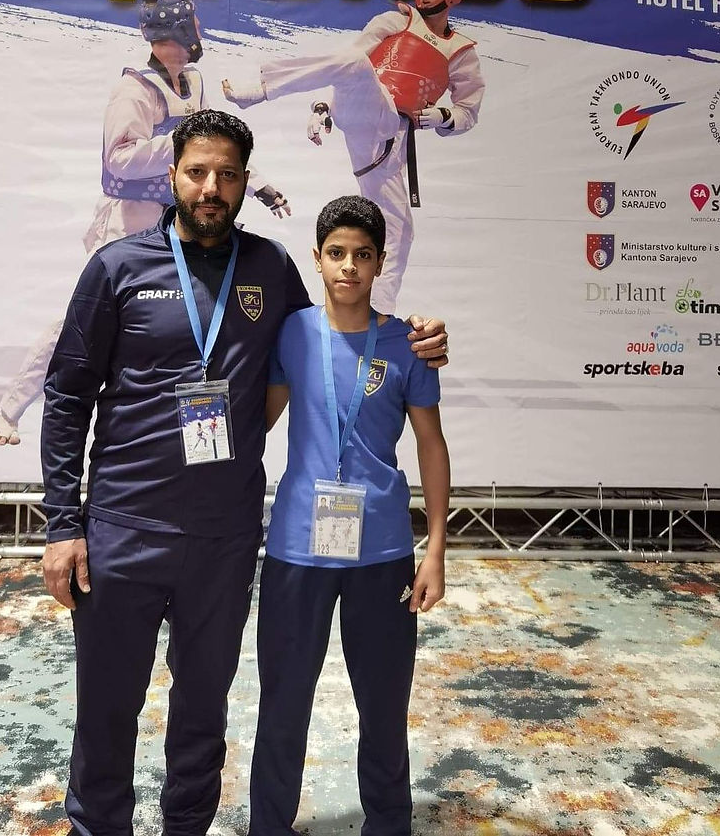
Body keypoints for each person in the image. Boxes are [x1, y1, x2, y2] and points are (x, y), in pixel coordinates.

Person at [39, 110, 448, 836]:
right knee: (107, 708)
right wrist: (63, 525)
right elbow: (68, 395)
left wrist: (417, 337)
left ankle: (187, 827)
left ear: (244, 182)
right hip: (125, 528)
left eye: (227, 174)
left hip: (224, 538)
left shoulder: (269, 268)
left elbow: (337, 333)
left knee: (203, 708)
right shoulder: (117, 267)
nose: (211, 187)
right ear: (172, 175)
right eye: (197, 171)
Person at [0, 0, 290, 445]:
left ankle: (186, 432)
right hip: (128, 220)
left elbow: (211, 149)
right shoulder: (134, 90)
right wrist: (179, 142)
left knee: (189, 317)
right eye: (193, 23)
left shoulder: (193, 82)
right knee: (84, 321)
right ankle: (9, 410)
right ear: (179, 29)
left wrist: (259, 184)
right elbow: (119, 160)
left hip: (178, 220)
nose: (199, 31)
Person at [249, 195, 450, 836]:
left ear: (380, 262)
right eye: (337, 253)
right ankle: (269, 826)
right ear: (317, 258)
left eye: (363, 255)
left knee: (384, 707)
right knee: (283, 705)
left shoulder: (408, 345)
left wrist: (436, 550)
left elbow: (431, 445)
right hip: (296, 549)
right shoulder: (291, 333)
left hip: (383, 551)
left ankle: (388, 825)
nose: (349, 267)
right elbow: (262, 420)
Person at [222, 0, 485, 314]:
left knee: (399, 229)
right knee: (356, 62)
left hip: (392, 135)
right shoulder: (395, 21)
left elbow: (468, 111)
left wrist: (443, 116)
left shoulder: (461, 52)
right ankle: (262, 89)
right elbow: (347, 63)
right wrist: (323, 109)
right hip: (365, 109)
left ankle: (379, 310)